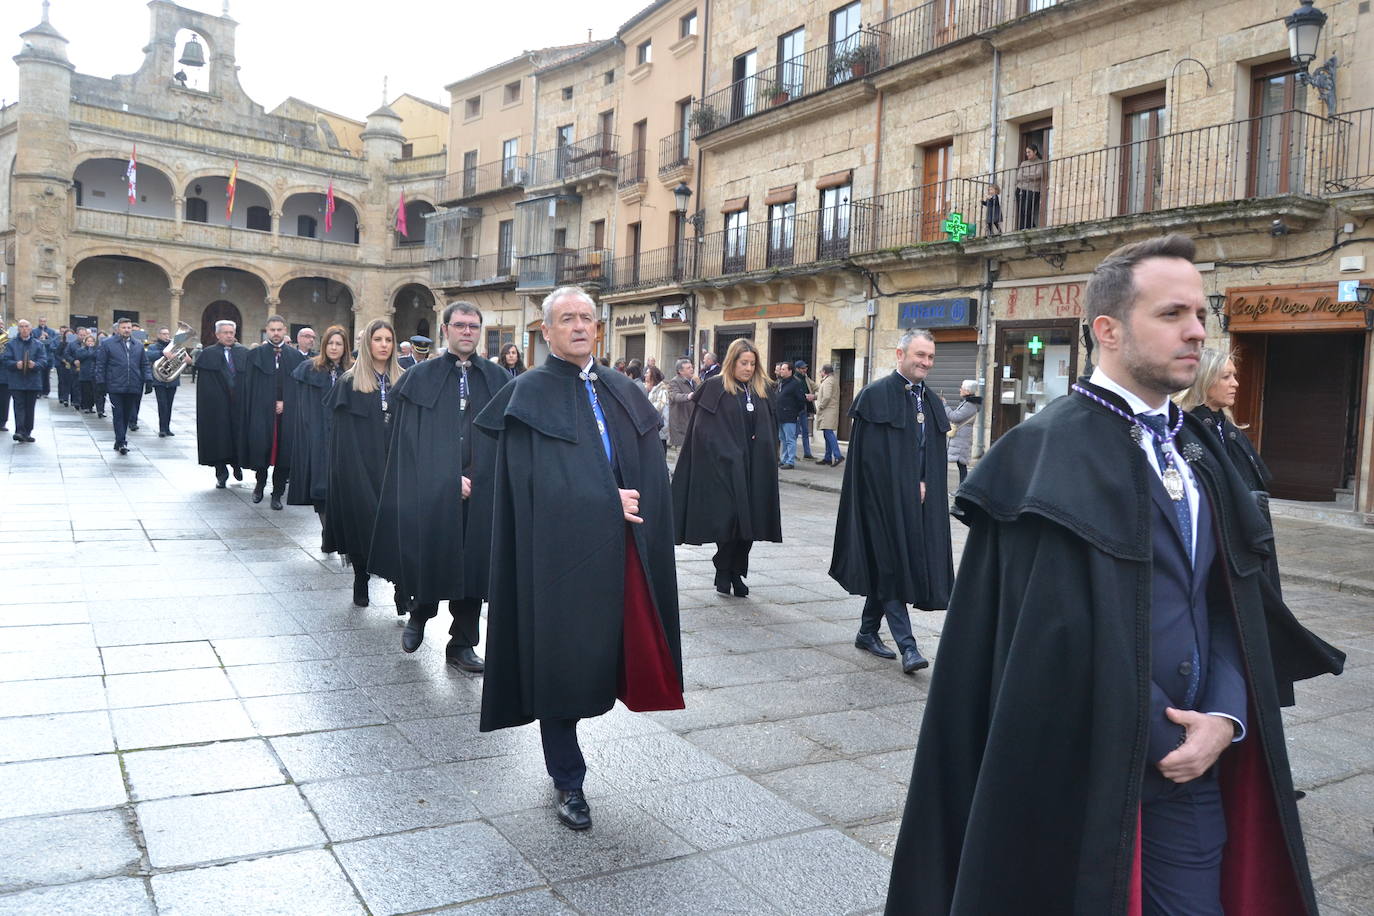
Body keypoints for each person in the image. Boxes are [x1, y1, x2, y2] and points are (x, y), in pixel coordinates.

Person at [885, 235, 1347, 916]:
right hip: (1075, 772)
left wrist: (1221, 715)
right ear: (1107, 330)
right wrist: (1163, 735)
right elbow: (1041, 642)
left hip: (1192, 776)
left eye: (1200, 313)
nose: (1197, 331)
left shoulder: (1199, 450)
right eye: (1172, 314)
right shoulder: (1041, 456)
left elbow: (1229, 600)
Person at [474, 285, 684, 832]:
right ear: (546, 332)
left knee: (625, 645)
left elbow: (646, 462)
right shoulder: (528, 394)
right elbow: (530, 486)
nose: (579, 326)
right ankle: (568, 778)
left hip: (625, 549)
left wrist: (644, 504)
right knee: (560, 658)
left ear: (599, 327)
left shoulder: (621, 387)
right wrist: (602, 498)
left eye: (587, 318)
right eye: (566, 319)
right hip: (561, 553)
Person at [370, 303, 509, 670]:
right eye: (460, 325)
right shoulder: (420, 377)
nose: (467, 332)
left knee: (474, 564)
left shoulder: (498, 379)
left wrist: (477, 478)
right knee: (431, 554)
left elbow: (506, 440)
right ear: (445, 330)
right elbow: (407, 443)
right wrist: (447, 477)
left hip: (482, 489)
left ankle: (461, 643)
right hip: (432, 488)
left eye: (474, 326)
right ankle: (419, 615)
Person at [830, 329, 952, 675]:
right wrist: (899, 485)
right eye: (920, 355)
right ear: (900, 355)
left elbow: (930, 450)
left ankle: (868, 631)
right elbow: (868, 461)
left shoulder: (929, 399)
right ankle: (908, 647)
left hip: (918, 504)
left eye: (930, 357)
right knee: (889, 564)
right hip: (880, 502)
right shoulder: (875, 396)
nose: (925, 362)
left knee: (892, 564)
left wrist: (925, 480)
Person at [672, 338, 782, 598]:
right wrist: (728, 451)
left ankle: (736, 570)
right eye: (744, 363)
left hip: (754, 468)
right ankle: (724, 568)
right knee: (729, 520)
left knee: (751, 523)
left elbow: (769, 426)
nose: (748, 368)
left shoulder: (762, 390)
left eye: (753, 363)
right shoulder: (714, 388)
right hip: (724, 467)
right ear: (732, 362)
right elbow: (702, 430)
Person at [1177, 347, 1283, 595]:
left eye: (1234, 375)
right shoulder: (1184, 431)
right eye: (1226, 377)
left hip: (1247, 541)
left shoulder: (1232, 432)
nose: (1235, 383)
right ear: (1203, 379)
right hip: (1215, 549)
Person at [326, 320, 402, 610]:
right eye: (378, 339)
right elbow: (343, 438)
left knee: (398, 526)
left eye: (388, 339)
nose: (384, 344)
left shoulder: (404, 379)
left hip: (395, 466)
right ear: (367, 344)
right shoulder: (350, 382)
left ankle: (400, 584)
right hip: (361, 467)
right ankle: (361, 577)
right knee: (364, 524)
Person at [287, 325, 351, 551]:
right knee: (322, 487)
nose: (334, 347)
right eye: (331, 343)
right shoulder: (309, 369)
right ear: (324, 345)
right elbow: (303, 407)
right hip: (318, 435)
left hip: (344, 438)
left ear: (345, 347)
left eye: (339, 344)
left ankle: (335, 531)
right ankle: (327, 532)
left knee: (343, 489)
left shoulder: (351, 371)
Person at [242, 315, 305, 509]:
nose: (276, 333)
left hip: (287, 414)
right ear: (266, 331)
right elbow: (249, 388)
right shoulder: (255, 356)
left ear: (285, 330)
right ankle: (260, 484)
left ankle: (277, 493)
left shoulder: (296, 357)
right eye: (272, 330)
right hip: (262, 413)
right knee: (261, 448)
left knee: (284, 453)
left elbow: (300, 388)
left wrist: (287, 403)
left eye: (279, 330)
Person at [194, 320, 249, 488]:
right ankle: (221, 472)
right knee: (219, 438)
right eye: (225, 333)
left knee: (238, 436)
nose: (229, 336)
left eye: (232, 332)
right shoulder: (208, 354)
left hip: (238, 405)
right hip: (217, 407)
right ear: (217, 335)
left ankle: (237, 465)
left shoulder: (244, 352)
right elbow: (204, 385)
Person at [95, 317, 150, 456]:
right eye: (124, 327)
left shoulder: (138, 345)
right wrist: (100, 382)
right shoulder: (108, 344)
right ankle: (122, 441)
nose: (127, 330)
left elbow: (144, 364)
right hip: (115, 385)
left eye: (129, 327)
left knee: (127, 414)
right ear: (118, 329)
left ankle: (119, 438)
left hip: (133, 385)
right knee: (118, 414)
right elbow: (101, 364)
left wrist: (148, 379)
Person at [4, 320, 48, 443]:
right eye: (21, 327)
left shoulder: (38, 344)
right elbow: (6, 360)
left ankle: (27, 431)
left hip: (33, 381)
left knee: (30, 407)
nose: (24, 329)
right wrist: (15, 364)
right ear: (18, 329)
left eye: (26, 326)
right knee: (19, 406)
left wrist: (35, 364)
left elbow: (44, 361)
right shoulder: (11, 344)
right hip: (16, 380)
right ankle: (19, 431)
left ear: (31, 328)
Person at [148, 327, 189, 437]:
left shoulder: (176, 347)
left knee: (169, 405)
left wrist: (187, 360)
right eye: (163, 334)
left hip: (172, 380)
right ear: (158, 335)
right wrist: (163, 353)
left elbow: (184, 359)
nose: (166, 336)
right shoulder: (152, 346)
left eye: (167, 333)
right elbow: (148, 356)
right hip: (159, 381)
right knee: (162, 405)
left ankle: (167, 428)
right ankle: (162, 428)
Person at [773, 360, 807, 470]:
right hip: (780, 416)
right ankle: (784, 459)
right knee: (782, 438)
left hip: (790, 416)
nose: (781, 371)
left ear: (790, 371)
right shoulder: (781, 382)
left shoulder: (795, 384)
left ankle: (790, 461)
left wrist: (794, 411)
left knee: (790, 439)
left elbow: (801, 400)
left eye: (783, 369)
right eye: (781, 369)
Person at [945, 379, 981, 483]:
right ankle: (962, 488)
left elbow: (954, 417)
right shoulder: (968, 403)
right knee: (961, 465)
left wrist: (945, 405)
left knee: (962, 465)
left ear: (968, 391)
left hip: (961, 440)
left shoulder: (969, 405)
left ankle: (962, 489)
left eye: (962, 388)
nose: (960, 389)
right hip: (961, 439)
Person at [814, 362, 844, 466]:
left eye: (821, 371)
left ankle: (838, 456)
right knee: (827, 434)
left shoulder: (828, 381)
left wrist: (821, 406)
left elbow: (826, 396)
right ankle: (827, 457)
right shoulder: (832, 380)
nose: (820, 373)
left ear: (824, 372)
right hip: (829, 410)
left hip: (827, 411)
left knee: (829, 434)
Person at [664, 357, 697, 448]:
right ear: (680, 371)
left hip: (692, 422)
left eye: (691, 367)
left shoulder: (694, 382)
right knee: (681, 455)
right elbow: (674, 396)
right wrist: (688, 396)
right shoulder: (674, 382)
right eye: (688, 368)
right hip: (681, 425)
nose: (692, 369)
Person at [1014, 141, 1044, 230]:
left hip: (1033, 190)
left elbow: (1038, 175)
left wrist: (1026, 176)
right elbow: (1019, 177)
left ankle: (1030, 227)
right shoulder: (1024, 163)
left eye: (1029, 152)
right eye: (1026, 152)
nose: (1027, 154)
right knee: (1021, 210)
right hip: (1020, 189)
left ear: (1035, 152)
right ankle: (1024, 228)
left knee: (1027, 209)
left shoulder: (1040, 162)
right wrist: (1031, 177)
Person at [793, 360, 817, 460]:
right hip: (797, 409)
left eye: (805, 368)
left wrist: (815, 396)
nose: (805, 370)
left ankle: (807, 453)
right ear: (797, 369)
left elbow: (816, 386)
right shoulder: (794, 379)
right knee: (795, 432)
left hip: (804, 408)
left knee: (805, 432)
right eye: (802, 368)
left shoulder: (806, 378)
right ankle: (792, 454)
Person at [72, 329, 100, 415]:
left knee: (92, 392)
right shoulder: (81, 350)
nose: (90, 342)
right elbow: (80, 357)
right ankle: (85, 406)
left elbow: (97, 357)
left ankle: (91, 406)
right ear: (85, 342)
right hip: (84, 372)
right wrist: (89, 351)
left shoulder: (97, 349)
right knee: (85, 391)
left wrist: (92, 350)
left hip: (94, 373)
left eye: (92, 341)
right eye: (88, 341)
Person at [644, 365, 670, 451]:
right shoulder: (649, 388)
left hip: (660, 431)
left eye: (647, 373)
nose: (645, 375)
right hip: (653, 429)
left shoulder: (662, 389)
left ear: (653, 375)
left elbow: (659, 407)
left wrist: (645, 410)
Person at [32, 316, 58, 398]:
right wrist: (39, 338)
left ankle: (46, 391)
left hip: (48, 356)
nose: (42, 323)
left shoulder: (51, 331)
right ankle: (38, 391)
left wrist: (48, 337)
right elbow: (33, 342)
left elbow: (54, 342)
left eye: (44, 321)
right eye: (41, 321)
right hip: (38, 357)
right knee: (39, 375)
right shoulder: (34, 331)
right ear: (39, 322)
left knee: (46, 375)